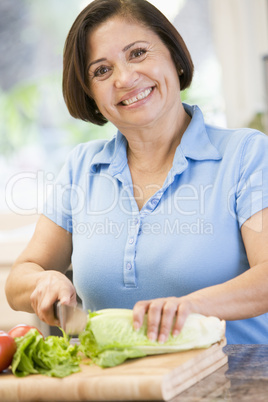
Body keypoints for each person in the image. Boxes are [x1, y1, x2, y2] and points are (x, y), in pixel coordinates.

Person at [5, 0, 268, 345]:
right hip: (116, 384)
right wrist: (41, 284)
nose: (125, 78)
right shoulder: (82, 168)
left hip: (232, 384)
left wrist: (190, 307)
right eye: (101, 70)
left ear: (174, 56)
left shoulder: (247, 153)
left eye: (138, 53)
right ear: (91, 94)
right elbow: (18, 280)